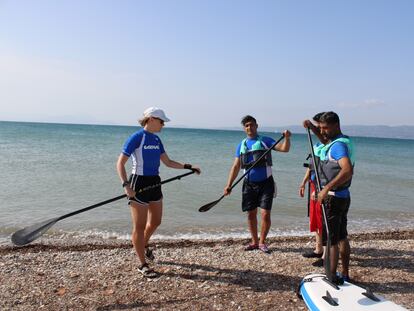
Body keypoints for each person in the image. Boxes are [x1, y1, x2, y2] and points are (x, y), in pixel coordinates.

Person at [116, 107, 201, 278]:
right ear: (152, 119)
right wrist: (126, 186)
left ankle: (144, 244)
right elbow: (120, 163)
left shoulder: (156, 140)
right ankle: (142, 264)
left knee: (155, 221)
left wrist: (188, 167)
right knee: (139, 226)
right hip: (138, 182)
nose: (163, 125)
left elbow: (168, 162)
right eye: (162, 121)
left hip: (155, 182)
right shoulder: (136, 137)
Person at [223, 115, 291, 253]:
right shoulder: (241, 145)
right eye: (247, 125)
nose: (249, 127)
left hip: (266, 183)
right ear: (244, 128)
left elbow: (284, 149)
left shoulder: (266, 141)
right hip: (248, 184)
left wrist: (287, 138)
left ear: (256, 126)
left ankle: (262, 242)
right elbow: (236, 166)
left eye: (252, 125)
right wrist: (228, 184)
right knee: (251, 214)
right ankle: (254, 242)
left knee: (265, 214)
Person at [311, 111, 355, 283]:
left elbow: (347, 170)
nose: (322, 131)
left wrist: (325, 189)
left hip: (333, 198)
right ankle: (344, 274)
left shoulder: (338, 146)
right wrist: (312, 127)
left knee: (331, 240)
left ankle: (331, 276)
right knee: (341, 236)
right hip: (342, 196)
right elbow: (323, 139)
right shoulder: (341, 141)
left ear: (336, 126)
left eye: (325, 128)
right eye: (320, 127)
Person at [299, 112, 325, 265]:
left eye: (320, 126)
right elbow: (312, 167)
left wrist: (320, 189)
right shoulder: (316, 146)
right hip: (313, 185)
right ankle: (318, 249)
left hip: (322, 187)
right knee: (315, 219)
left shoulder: (330, 145)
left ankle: (325, 256)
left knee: (322, 221)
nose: (319, 129)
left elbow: (326, 170)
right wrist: (303, 183)